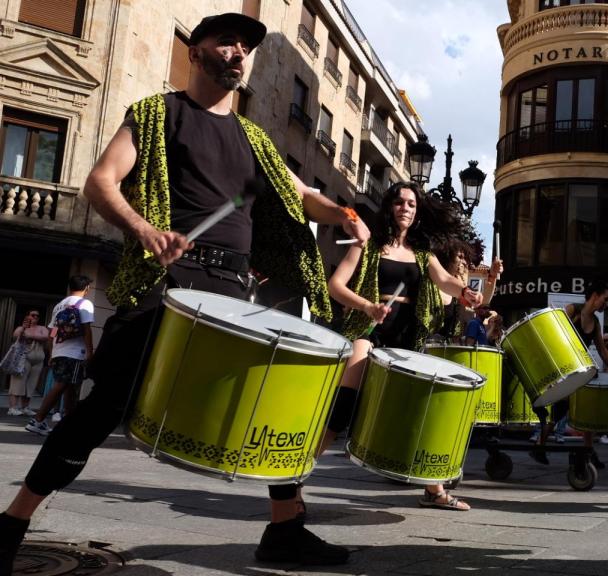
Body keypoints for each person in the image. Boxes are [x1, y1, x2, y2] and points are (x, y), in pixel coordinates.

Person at [0, 13, 372, 572]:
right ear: (195, 52)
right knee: (103, 408)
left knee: (276, 405)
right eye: (225, 41)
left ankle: (285, 531)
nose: (237, 52)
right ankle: (12, 524)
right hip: (164, 283)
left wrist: (345, 214)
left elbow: (302, 196)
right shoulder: (157, 114)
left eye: (245, 46)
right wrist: (145, 229)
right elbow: (101, 181)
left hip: (231, 291)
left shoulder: (253, 139)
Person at [318, 182, 483, 512]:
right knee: (344, 403)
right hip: (370, 326)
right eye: (400, 202)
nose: (406, 208)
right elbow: (335, 285)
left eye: (412, 204)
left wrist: (468, 292)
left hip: (407, 332)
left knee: (415, 409)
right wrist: (367, 306)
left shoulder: (422, 255)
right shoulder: (369, 245)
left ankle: (434, 491)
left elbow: (447, 282)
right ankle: (298, 469)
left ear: (416, 213)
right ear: (389, 207)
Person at [530, 280, 608, 471]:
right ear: (595, 296)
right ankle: (541, 446)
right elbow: (554, 334)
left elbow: (602, 350)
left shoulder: (595, 323)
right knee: (562, 409)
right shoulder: (573, 310)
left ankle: (584, 450)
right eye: (606, 299)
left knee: (584, 410)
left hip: (581, 371)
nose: (607, 304)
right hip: (565, 370)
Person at [25, 276, 95, 435]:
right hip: (75, 352)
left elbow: (53, 332)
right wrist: (90, 351)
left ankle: (68, 424)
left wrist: (51, 352)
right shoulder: (85, 304)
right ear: (87, 288)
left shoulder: (58, 306)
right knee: (63, 385)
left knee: (69, 386)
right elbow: (86, 329)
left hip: (58, 351)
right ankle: (38, 420)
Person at [7, 310, 48, 417]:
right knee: (18, 381)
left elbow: (45, 337)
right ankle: (13, 407)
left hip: (38, 359)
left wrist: (30, 336)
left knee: (31, 384)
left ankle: (25, 407)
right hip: (24, 357)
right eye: (32, 315)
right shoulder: (21, 328)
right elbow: (16, 336)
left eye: (37, 316)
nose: (35, 317)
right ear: (27, 316)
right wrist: (24, 329)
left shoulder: (42, 328)